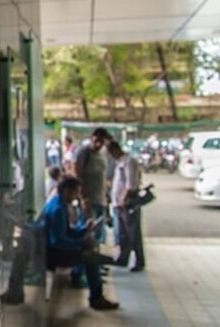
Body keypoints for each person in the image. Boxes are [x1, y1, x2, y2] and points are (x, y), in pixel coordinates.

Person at [45, 177, 119, 310]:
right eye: (76, 192)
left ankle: (93, 291)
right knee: (90, 258)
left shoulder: (58, 203)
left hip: (56, 249)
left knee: (90, 252)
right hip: (54, 254)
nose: (78, 196)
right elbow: (59, 242)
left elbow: (67, 231)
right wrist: (81, 243)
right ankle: (96, 298)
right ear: (66, 191)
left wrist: (84, 229)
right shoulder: (58, 210)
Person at [108, 141, 145, 272]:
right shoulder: (119, 163)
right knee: (122, 233)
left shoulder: (129, 162)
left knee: (133, 233)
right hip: (118, 203)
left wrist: (123, 200)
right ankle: (123, 257)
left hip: (127, 202)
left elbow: (131, 184)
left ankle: (139, 261)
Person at [74, 128, 111, 243]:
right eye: (96, 141)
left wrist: (106, 195)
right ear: (91, 139)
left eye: (102, 141)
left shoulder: (103, 154)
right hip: (89, 200)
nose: (99, 144)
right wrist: (83, 198)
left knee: (99, 232)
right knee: (87, 231)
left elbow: (103, 176)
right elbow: (78, 176)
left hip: (101, 199)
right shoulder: (84, 152)